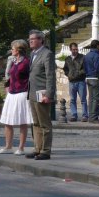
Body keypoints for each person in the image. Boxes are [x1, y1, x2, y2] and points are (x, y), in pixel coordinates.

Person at [0, 39, 32, 155]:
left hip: (22, 93)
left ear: (18, 50)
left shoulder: (27, 62)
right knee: (8, 121)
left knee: (22, 121)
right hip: (11, 93)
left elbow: (31, 78)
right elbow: (9, 76)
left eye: (13, 48)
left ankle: (21, 148)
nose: (11, 50)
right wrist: (7, 86)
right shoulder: (13, 61)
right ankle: (8, 146)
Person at [26, 29, 55, 160]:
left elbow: (50, 76)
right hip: (32, 93)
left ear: (40, 40)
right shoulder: (32, 54)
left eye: (33, 39)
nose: (30, 41)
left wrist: (49, 94)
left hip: (42, 93)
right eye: (29, 39)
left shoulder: (47, 54)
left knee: (44, 123)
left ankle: (46, 150)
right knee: (35, 123)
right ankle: (37, 148)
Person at [63, 42, 87, 122]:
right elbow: (65, 69)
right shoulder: (68, 59)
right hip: (72, 82)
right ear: (70, 49)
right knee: (72, 99)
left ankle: (85, 116)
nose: (75, 51)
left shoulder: (82, 57)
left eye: (76, 49)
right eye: (73, 49)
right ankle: (74, 115)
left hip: (81, 81)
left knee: (83, 99)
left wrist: (78, 74)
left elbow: (85, 68)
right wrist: (69, 75)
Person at [83, 39, 99, 124]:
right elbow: (98, 68)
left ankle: (91, 116)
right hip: (95, 79)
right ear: (97, 46)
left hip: (88, 78)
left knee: (91, 98)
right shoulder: (96, 56)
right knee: (96, 99)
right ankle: (94, 118)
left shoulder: (87, 55)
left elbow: (84, 67)